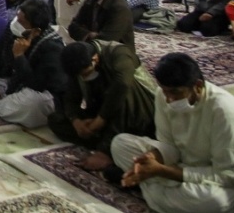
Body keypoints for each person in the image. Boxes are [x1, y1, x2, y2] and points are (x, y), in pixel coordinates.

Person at [112, 53, 234, 213]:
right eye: (165, 91)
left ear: (197, 86)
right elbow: (168, 145)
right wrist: (152, 157)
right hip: (186, 164)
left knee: (213, 203)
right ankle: (158, 189)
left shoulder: (224, 112)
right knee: (120, 144)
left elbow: (229, 176)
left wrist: (162, 171)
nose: (169, 99)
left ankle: (149, 186)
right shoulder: (163, 96)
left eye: (175, 93)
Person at [49, 40, 156, 171]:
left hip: (136, 114)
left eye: (85, 73)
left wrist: (100, 120)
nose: (83, 77)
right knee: (56, 120)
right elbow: (71, 99)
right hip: (102, 115)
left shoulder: (118, 53)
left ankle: (107, 150)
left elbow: (122, 85)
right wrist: (76, 121)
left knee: (124, 89)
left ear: (95, 58)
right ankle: (110, 143)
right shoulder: (78, 66)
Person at [0, 0, 67, 128]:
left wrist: (19, 56)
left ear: (36, 31)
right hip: (13, 82)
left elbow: (35, 84)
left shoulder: (52, 47)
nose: (16, 23)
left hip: (40, 94)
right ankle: (0, 102)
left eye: (22, 22)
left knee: (31, 103)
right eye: (17, 18)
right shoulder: (13, 29)